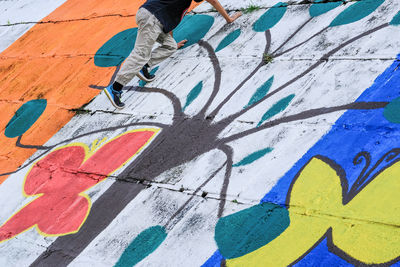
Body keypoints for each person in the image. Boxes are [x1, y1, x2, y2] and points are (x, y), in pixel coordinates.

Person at [104, 0, 242, 109]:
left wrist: (173, 39)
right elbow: (213, 1)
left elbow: (167, 12)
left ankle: (144, 66)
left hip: (151, 16)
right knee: (140, 54)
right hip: (153, 19)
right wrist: (229, 19)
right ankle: (115, 88)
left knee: (170, 46)